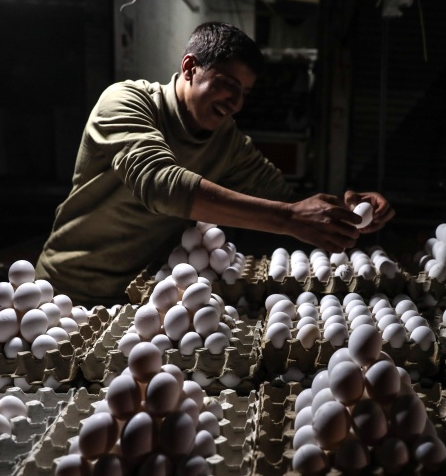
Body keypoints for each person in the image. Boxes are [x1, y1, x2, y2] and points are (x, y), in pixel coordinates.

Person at [36, 22, 394, 306]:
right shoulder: (126, 101)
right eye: (227, 84)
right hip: (67, 293)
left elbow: (286, 199)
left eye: (245, 92)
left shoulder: (228, 142)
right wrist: (288, 219)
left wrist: (344, 210)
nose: (236, 103)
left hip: (146, 296)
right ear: (190, 68)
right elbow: (160, 183)